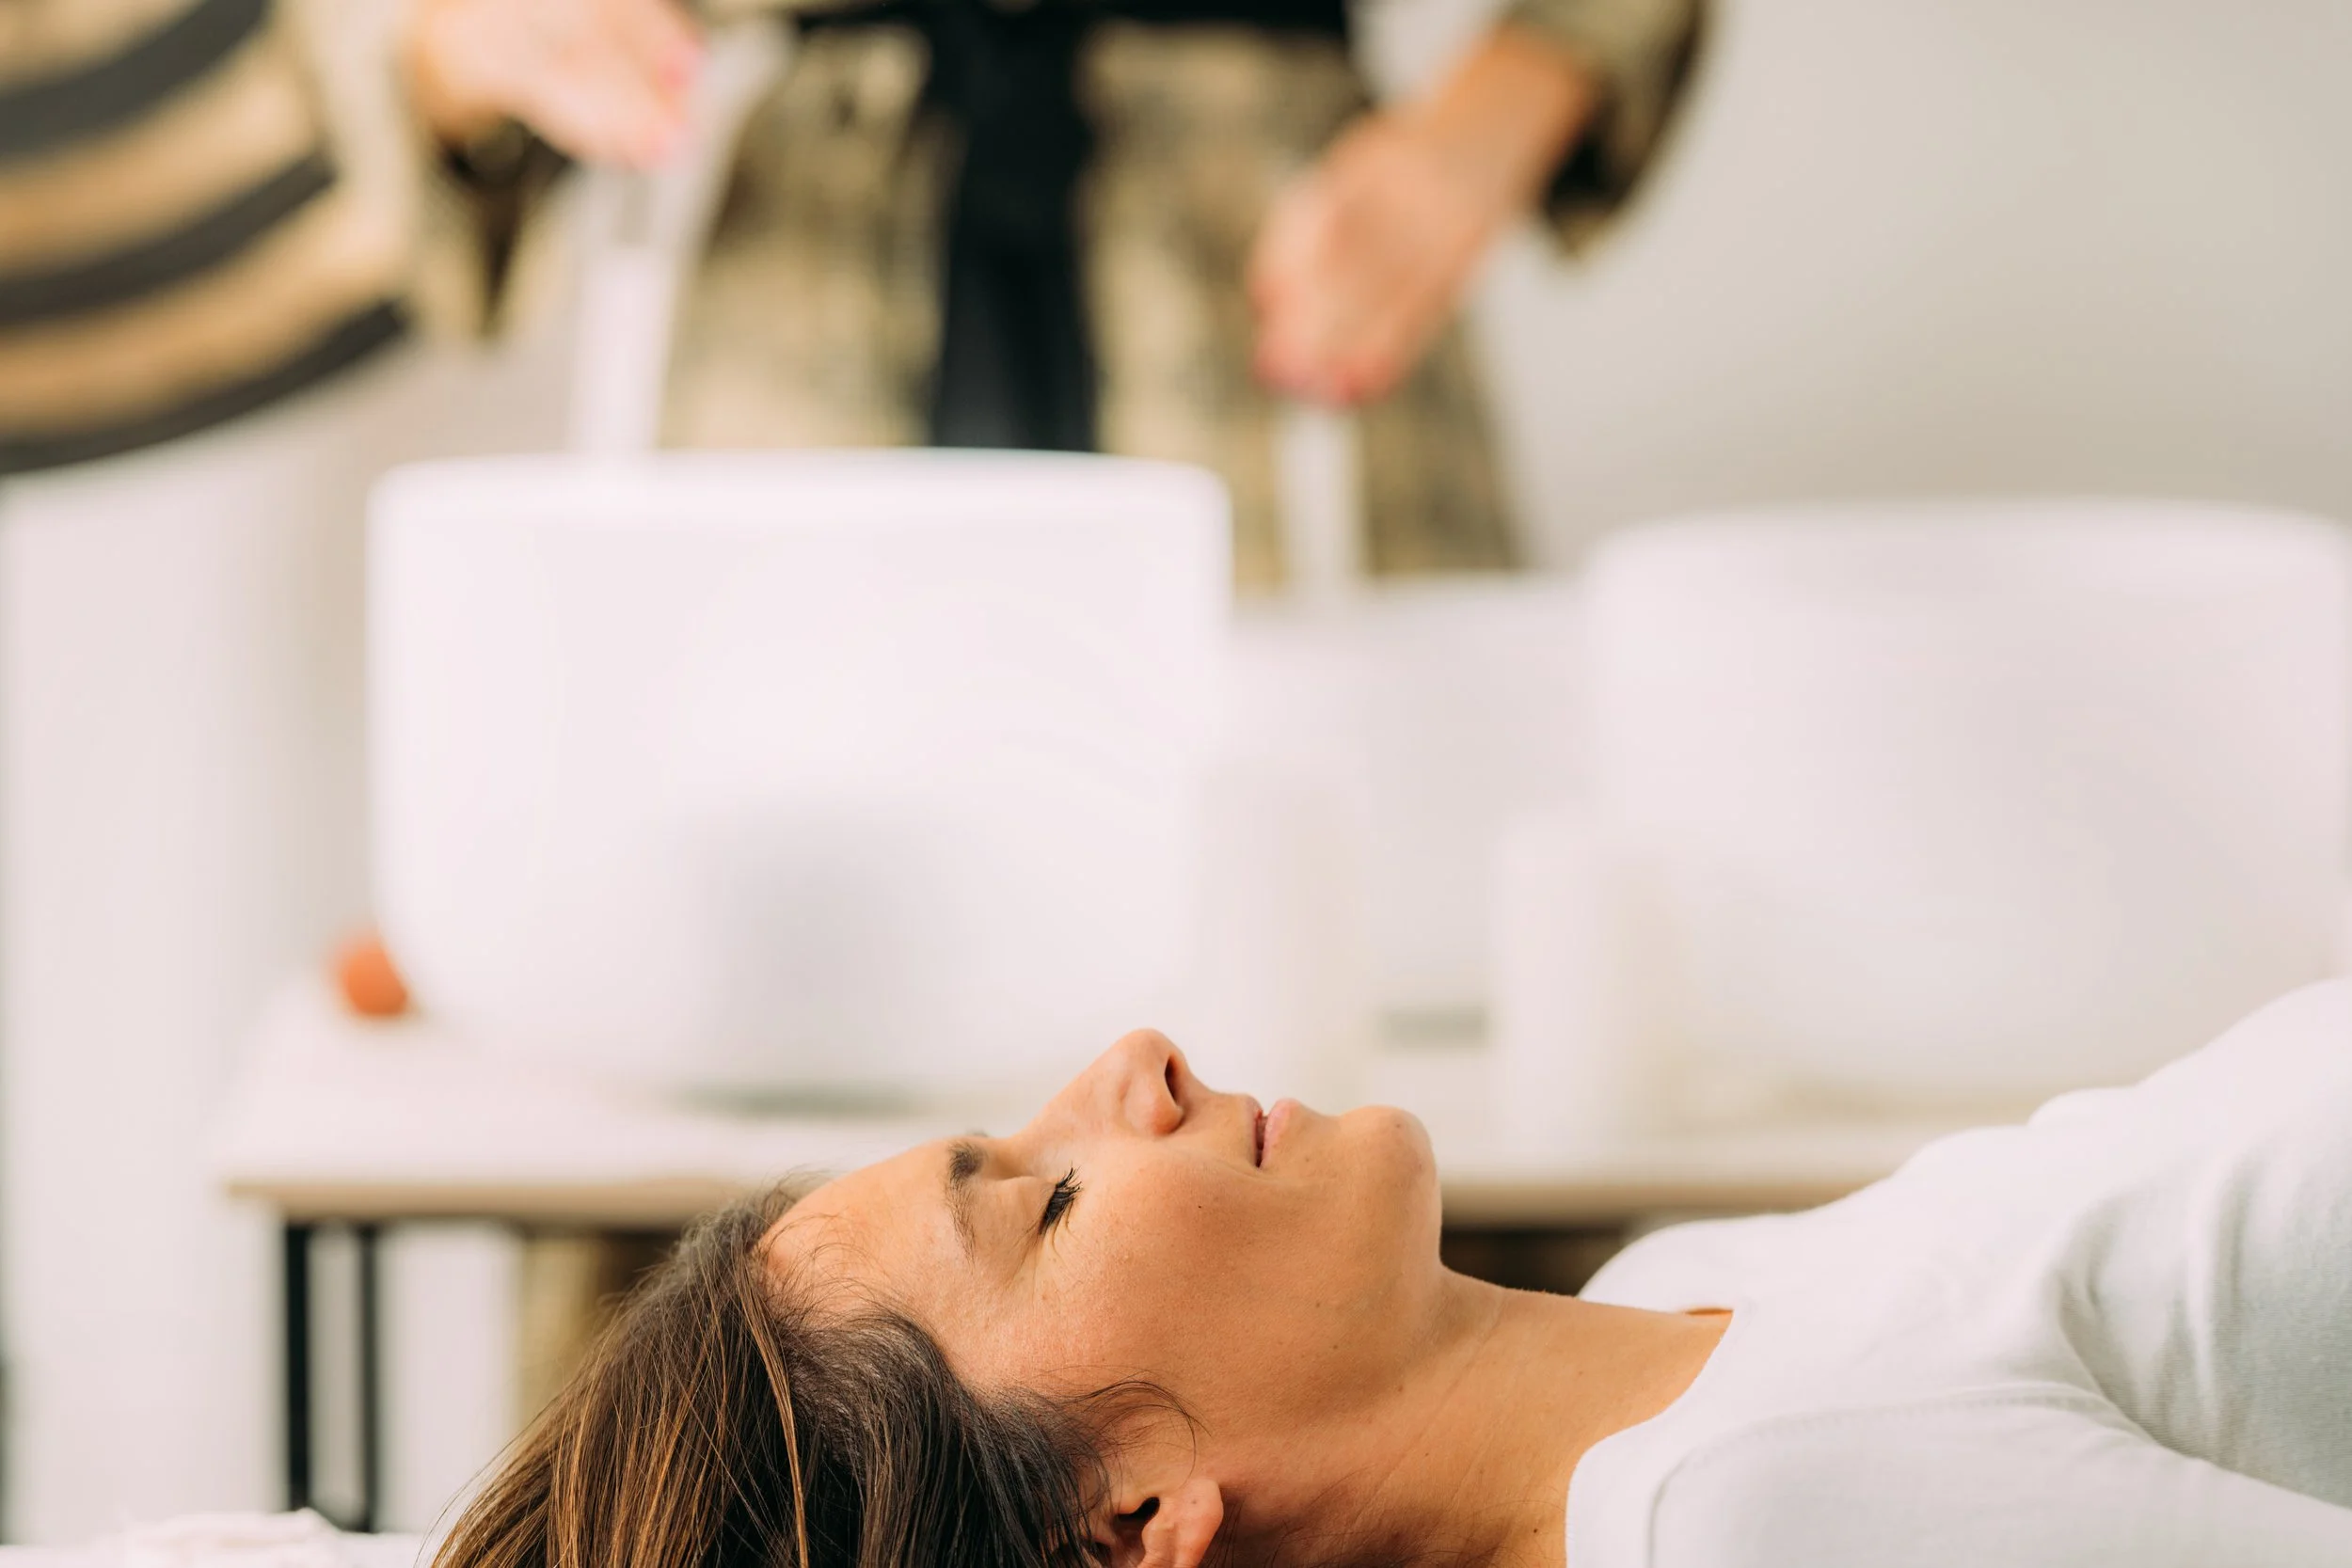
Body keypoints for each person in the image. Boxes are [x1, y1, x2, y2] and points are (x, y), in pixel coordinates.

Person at [434, 978, 2352, 1568]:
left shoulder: (1670, 1301)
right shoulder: (1762, 1506)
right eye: (1039, 1197)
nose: (1132, 1068)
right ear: (1123, 1512)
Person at [395, 0, 1703, 588]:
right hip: (792, 296)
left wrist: (1496, 116)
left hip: (1274, 265)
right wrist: (459, 35)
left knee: (1315, 952)